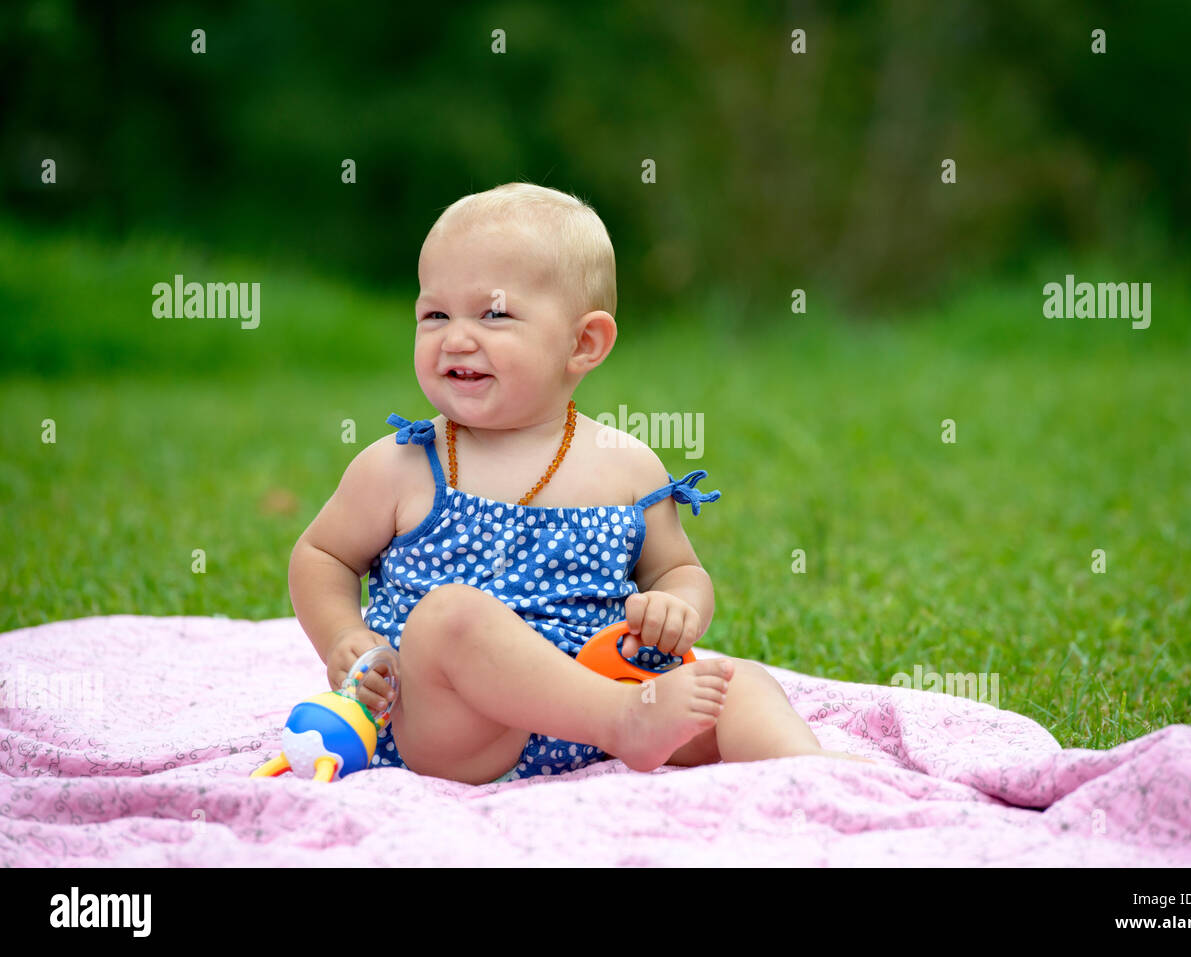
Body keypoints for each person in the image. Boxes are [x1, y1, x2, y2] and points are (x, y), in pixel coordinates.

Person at [287, 182, 874, 785]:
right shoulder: (404, 465)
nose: (456, 336)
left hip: (600, 698)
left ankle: (810, 771)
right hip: (460, 730)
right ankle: (625, 722)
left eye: (493, 313)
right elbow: (321, 554)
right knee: (449, 618)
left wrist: (677, 609)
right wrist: (345, 634)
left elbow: (677, 570)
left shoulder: (626, 466)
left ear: (583, 343)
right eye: (434, 313)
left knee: (737, 682)